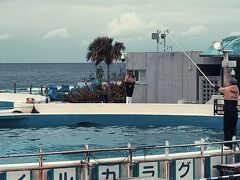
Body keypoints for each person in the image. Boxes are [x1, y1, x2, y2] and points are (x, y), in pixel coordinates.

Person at [212, 77, 239, 149]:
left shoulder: (227, 89)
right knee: (233, 128)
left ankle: (227, 145)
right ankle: (233, 143)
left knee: (227, 128)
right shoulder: (237, 91)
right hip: (235, 112)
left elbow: (220, 89)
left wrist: (214, 86)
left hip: (228, 112)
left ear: (230, 83)